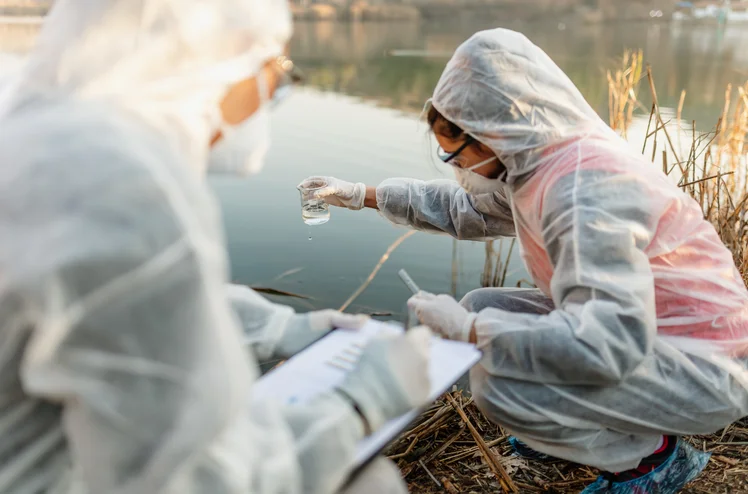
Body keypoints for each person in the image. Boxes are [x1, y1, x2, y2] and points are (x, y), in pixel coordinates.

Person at [0, 1, 432, 493]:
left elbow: (107, 305)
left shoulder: (37, 133)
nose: (272, 94)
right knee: (370, 484)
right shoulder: (119, 188)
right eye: (276, 72)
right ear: (222, 54)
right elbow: (200, 480)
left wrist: (274, 327)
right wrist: (360, 403)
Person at [303, 28, 748, 493]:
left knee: (501, 388)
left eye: (454, 152)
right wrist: (358, 195)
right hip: (658, 333)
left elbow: (606, 345)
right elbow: (464, 209)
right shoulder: (538, 161)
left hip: (706, 367)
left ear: (494, 132)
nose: (452, 164)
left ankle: (650, 460)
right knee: (480, 306)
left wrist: (469, 333)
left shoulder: (583, 191)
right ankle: (589, 426)